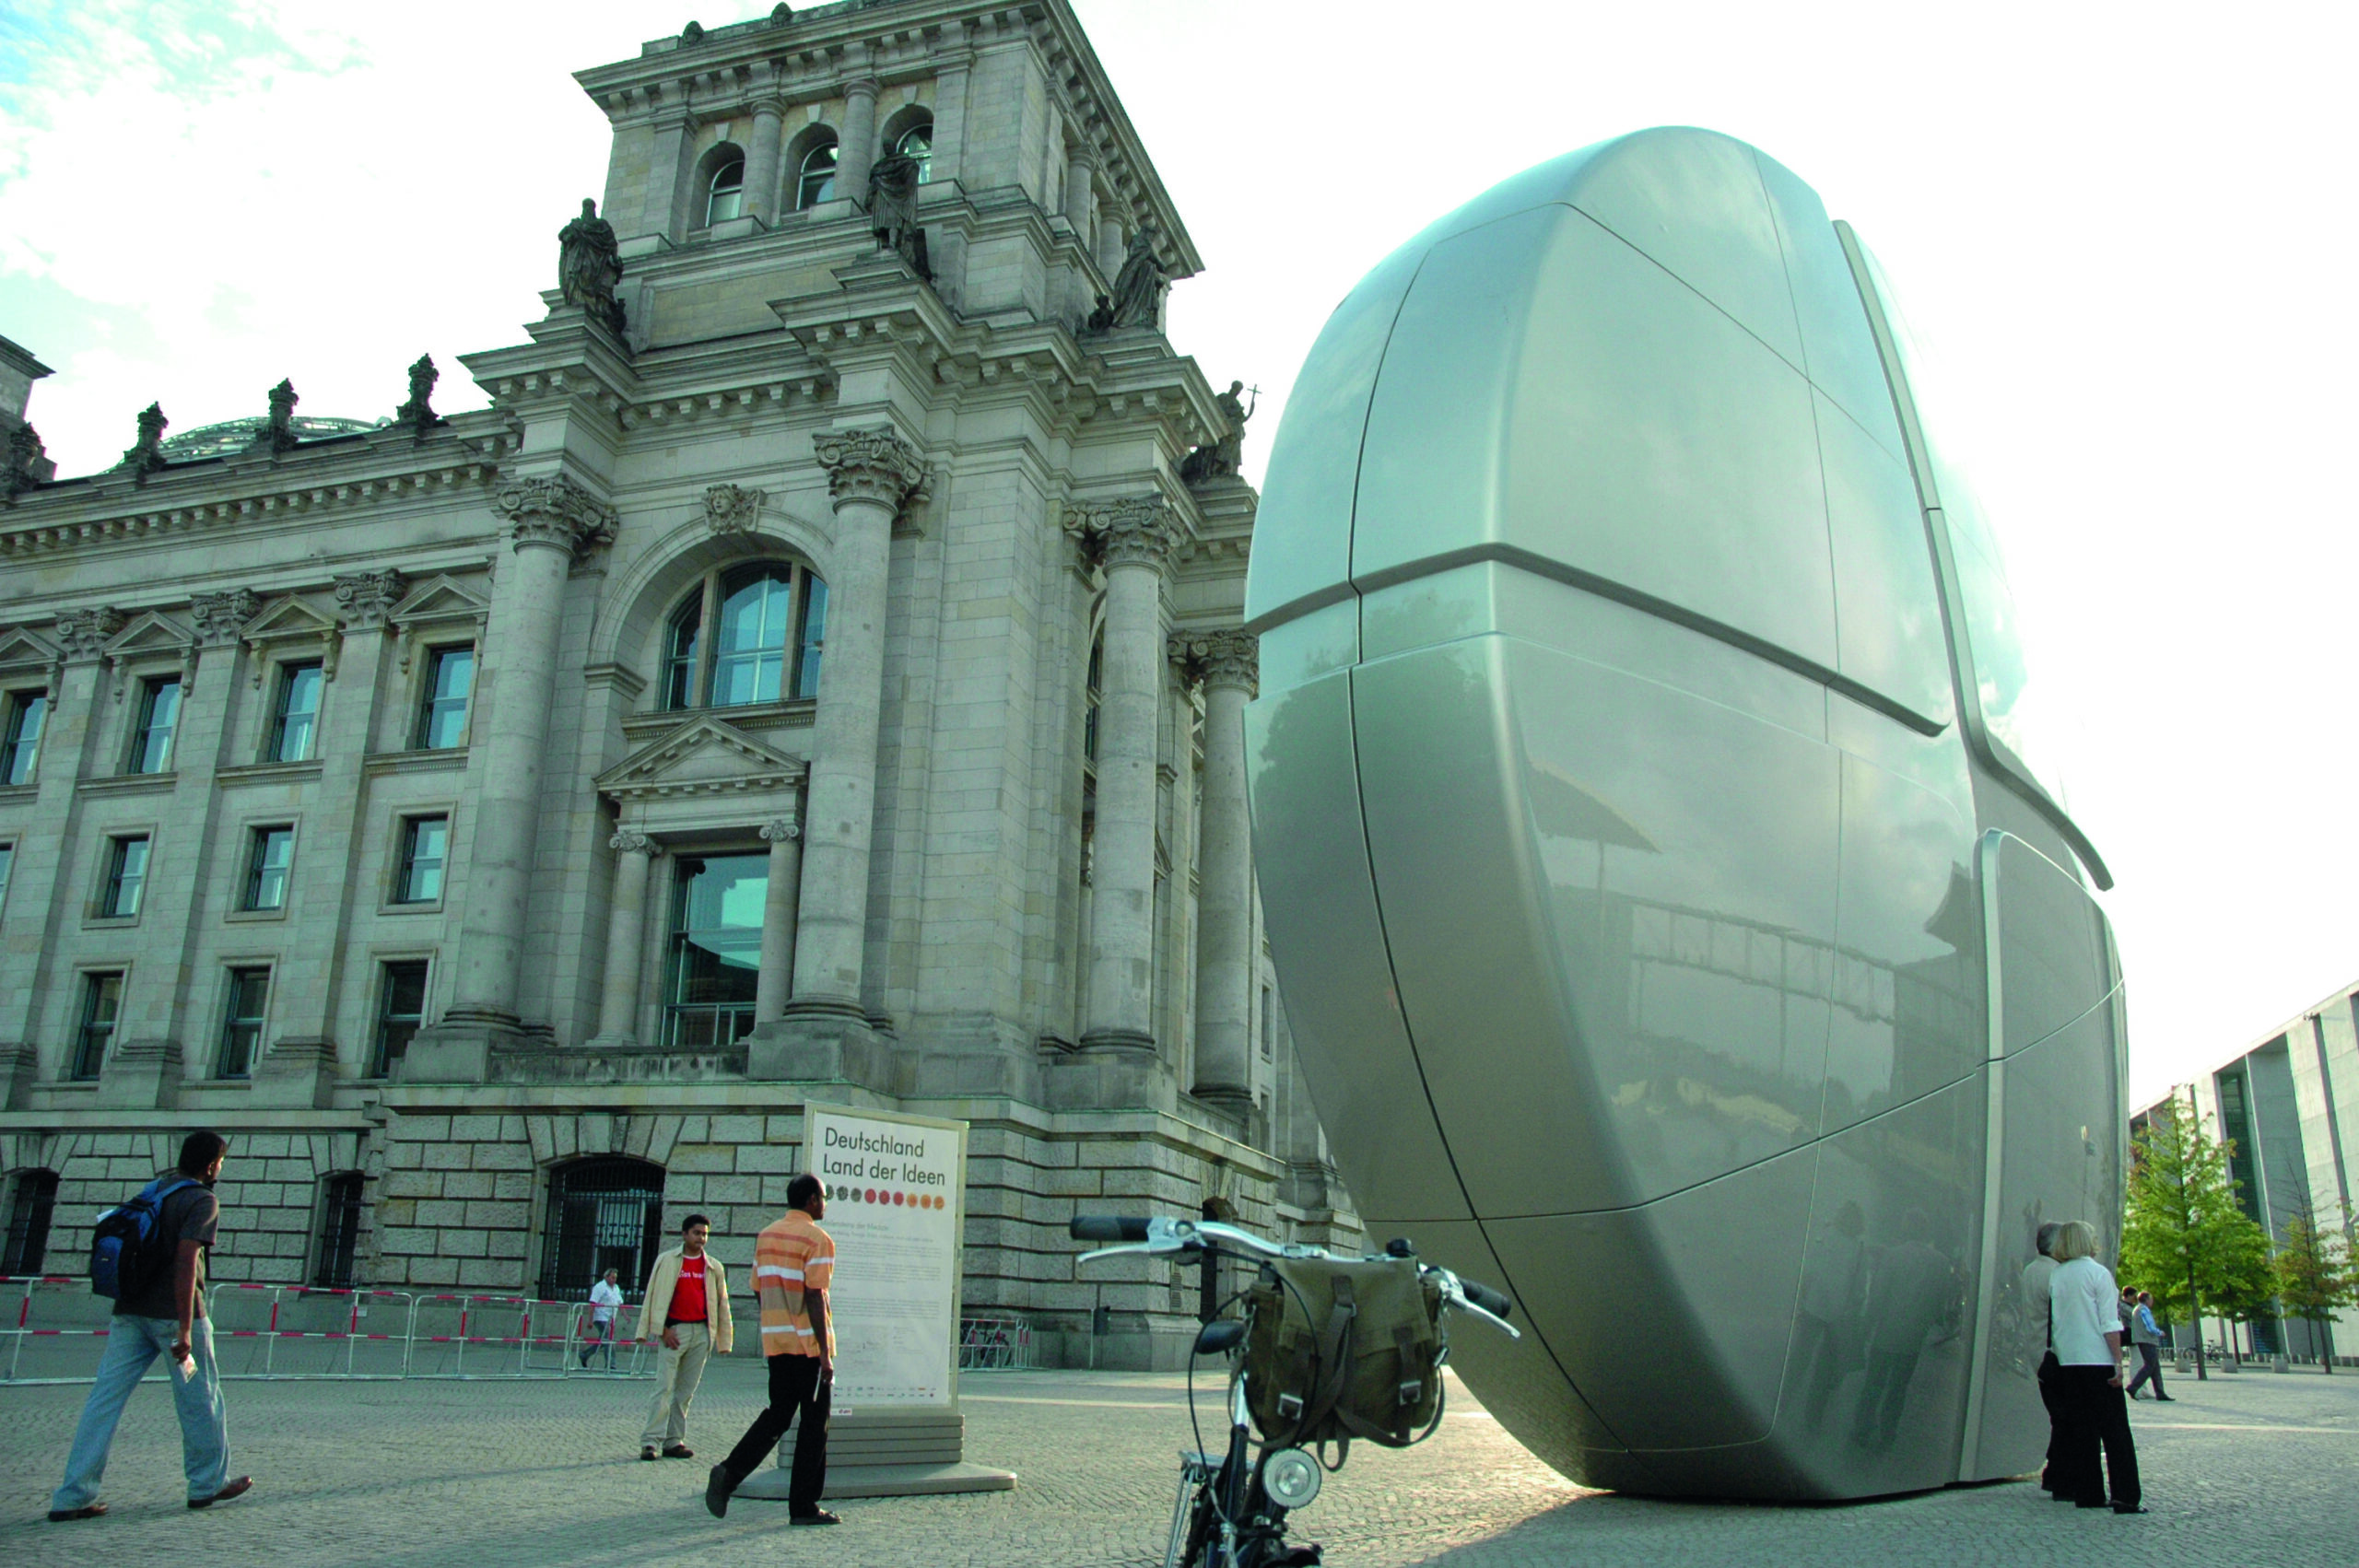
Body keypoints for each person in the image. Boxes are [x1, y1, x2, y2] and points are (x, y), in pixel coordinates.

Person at [48, 1131, 253, 1521]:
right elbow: (186, 1263)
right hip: (174, 1320)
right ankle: (207, 1483)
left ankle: (73, 1495)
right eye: (221, 1163)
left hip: (129, 1313)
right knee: (200, 1398)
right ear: (212, 1165)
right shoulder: (202, 1200)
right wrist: (185, 1329)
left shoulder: (156, 1188)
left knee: (103, 1401)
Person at [705, 1173, 838, 1526]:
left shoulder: (766, 1236)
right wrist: (824, 1354)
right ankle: (804, 1507)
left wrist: (777, 1320)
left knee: (778, 1414)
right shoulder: (818, 1239)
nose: (825, 1203)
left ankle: (729, 1473)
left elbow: (757, 1288)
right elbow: (814, 1295)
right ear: (811, 1200)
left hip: (776, 1342)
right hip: (808, 1347)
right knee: (814, 1426)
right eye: (823, 1197)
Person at [2048, 1220, 2144, 1514]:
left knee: (2082, 1430)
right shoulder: (2098, 1274)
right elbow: (2109, 1322)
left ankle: (2088, 1492)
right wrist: (2118, 1362)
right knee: (2115, 1431)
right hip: (2098, 1359)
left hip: (2069, 1360)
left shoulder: (2057, 1275)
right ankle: (2125, 1496)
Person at [637, 1214, 732, 1460]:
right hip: (674, 1331)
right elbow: (655, 1296)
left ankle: (674, 1440)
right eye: (697, 1233)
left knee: (685, 1391)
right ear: (684, 1234)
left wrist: (722, 1338)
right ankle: (650, 1441)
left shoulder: (713, 1267)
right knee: (664, 1387)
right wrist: (663, 1329)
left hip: (701, 1332)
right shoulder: (667, 1261)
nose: (701, 1238)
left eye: (705, 1234)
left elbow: (722, 1304)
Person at [2022, 1221, 2066, 1499]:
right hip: (2053, 1354)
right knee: (2063, 1416)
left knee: (2057, 1414)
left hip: (2036, 1350)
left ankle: (2055, 1469)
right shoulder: (2055, 1274)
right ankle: (2056, 1472)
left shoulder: (2031, 1270)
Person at [2127, 1290, 2172, 1401]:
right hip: (2147, 1340)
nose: (2152, 1301)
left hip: (2143, 1340)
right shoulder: (2144, 1310)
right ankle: (2133, 1387)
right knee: (2150, 1365)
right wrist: (2159, 1332)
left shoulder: (2137, 1309)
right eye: (2151, 1299)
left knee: (2155, 1367)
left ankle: (2160, 1392)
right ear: (2146, 1299)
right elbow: (2150, 1327)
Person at [581, 1268, 624, 1371]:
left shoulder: (616, 1288)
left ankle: (585, 1354)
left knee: (604, 1341)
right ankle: (610, 1364)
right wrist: (590, 1320)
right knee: (608, 1339)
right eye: (612, 1277)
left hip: (610, 1319)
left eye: (615, 1278)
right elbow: (593, 1303)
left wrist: (625, 1315)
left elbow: (620, 1303)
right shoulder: (599, 1287)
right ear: (606, 1277)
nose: (614, 1280)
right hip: (600, 1317)